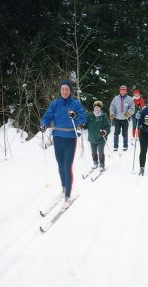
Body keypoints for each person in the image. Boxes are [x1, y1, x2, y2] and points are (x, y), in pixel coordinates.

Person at [40, 80, 87, 208]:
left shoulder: (75, 104)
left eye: (67, 89)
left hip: (70, 137)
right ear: (60, 91)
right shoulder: (55, 104)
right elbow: (47, 116)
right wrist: (43, 124)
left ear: (70, 90)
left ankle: (67, 195)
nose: (64, 91)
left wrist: (75, 115)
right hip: (57, 137)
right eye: (62, 89)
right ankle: (64, 187)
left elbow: (83, 118)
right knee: (60, 165)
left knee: (67, 166)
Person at [84, 101, 110, 172]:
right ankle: (95, 163)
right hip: (92, 138)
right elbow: (85, 125)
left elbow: (108, 127)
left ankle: (102, 164)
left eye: (98, 108)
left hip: (101, 138)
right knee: (93, 152)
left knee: (100, 152)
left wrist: (104, 132)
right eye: (95, 107)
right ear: (94, 108)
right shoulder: (89, 115)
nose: (96, 109)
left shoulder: (103, 116)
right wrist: (82, 126)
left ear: (100, 109)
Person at [109, 85, 135, 151]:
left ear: (126, 91)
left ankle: (125, 145)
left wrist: (128, 113)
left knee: (125, 133)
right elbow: (112, 107)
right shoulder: (116, 98)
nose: (123, 92)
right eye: (121, 90)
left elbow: (132, 108)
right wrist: (112, 113)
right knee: (116, 133)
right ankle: (115, 146)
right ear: (119, 91)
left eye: (124, 91)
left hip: (125, 119)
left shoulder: (129, 99)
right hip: (117, 119)